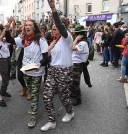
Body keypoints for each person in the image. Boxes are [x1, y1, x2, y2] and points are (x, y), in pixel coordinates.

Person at [40, 0, 74, 131]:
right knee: (46, 96)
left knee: (63, 96)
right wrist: (48, 51)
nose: (53, 31)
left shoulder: (67, 37)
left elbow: (59, 24)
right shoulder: (55, 41)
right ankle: (52, 121)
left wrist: (53, 9)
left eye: (55, 29)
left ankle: (70, 112)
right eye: (52, 29)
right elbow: (50, 58)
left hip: (64, 71)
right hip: (53, 70)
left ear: (62, 29)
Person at [21, 19, 49, 128]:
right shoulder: (24, 39)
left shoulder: (41, 40)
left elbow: (46, 58)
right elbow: (11, 40)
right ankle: (33, 107)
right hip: (26, 70)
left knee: (34, 93)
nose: (27, 26)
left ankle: (33, 116)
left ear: (34, 27)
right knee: (30, 90)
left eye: (30, 25)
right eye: (26, 25)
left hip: (36, 72)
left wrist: (38, 65)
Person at [0, 19, 15, 107]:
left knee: (7, 78)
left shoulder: (4, 42)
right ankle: (0, 98)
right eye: (0, 33)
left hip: (7, 60)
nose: (2, 34)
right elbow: (3, 34)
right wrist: (8, 24)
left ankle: (4, 92)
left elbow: (12, 36)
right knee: (5, 80)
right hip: (2, 62)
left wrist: (13, 27)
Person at [70, 25, 89, 106]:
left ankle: (77, 99)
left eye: (76, 34)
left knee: (75, 81)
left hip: (77, 64)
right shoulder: (80, 42)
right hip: (75, 63)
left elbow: (72, 48)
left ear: (79, 34)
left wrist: (76, 39)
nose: (74, 35)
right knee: (73, 80)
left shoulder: (83, 43)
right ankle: (73, 95)